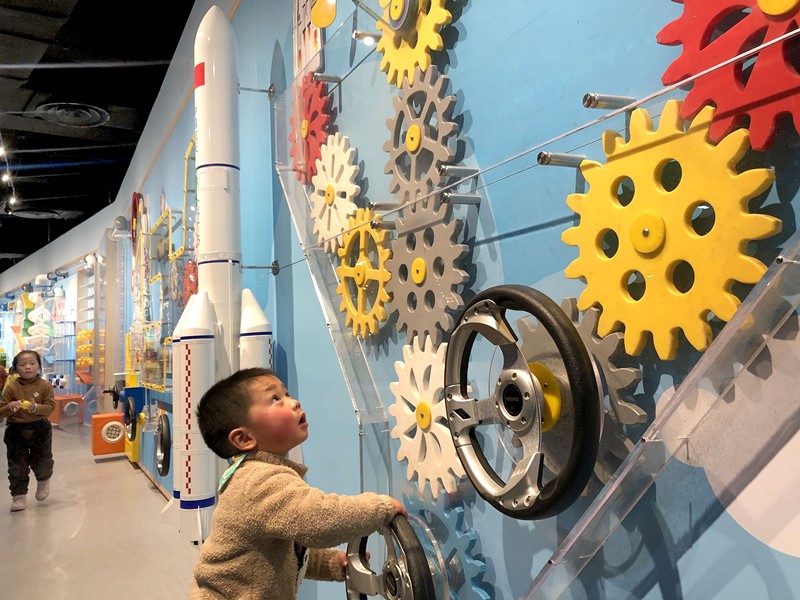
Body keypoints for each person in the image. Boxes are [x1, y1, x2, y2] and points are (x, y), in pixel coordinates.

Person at [190, 367, 406, 600]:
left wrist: (333, 564)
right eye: (275, 399)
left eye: (287, 394)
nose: (293, 402)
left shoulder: (258, 475)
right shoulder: (259, 482)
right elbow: (321, 519)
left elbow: (282, 557)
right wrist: (380, 509)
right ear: (244, 439)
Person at [0, 350, 55, 512]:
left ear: (38, 366)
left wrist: (35, 407)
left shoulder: (45, 385)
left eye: (32, 363)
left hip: (40, 429)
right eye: (22, 365)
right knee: (17, 464)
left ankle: (44, 480)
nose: (28, 367)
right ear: (16, 368)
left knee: (42, 459)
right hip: (16, 431)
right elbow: (1, 411)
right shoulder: (11, 388)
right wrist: (9, 407)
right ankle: (18, 496)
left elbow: (50, 407)